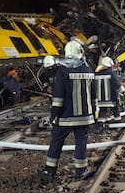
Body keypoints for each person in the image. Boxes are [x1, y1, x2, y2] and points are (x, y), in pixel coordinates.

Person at [38, 40, 97, 181]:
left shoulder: (62, 71)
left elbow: (58, 98)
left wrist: (53, 116)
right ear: (80, 53)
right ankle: (81, 171)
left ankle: (50, 171)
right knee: (81, 143)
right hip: (84, 117)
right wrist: (94, 113)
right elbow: (94, 95)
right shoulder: (88, 70)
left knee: (56, 142)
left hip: (65, 117)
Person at [95, 56, 125, 123]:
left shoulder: (96, 74)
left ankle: (100, 125)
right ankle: (117, 122)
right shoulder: (111, 73)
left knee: (102, 111)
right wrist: (123, 92)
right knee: (115, 109)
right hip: (111, 98)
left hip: (101, 99)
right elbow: (117, 84)